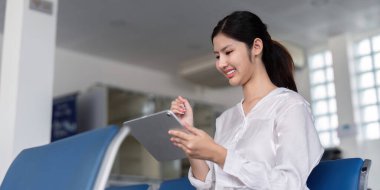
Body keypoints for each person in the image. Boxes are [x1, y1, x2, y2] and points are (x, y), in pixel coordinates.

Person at [168, 11, 324, 190]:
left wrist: (220, 155)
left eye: (228, 52)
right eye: (217, 56)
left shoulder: (290, 106)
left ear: (256, 47)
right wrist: (188, 132)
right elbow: (210, 185)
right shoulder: (227, 119)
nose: (221, 63)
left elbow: (289, 184)